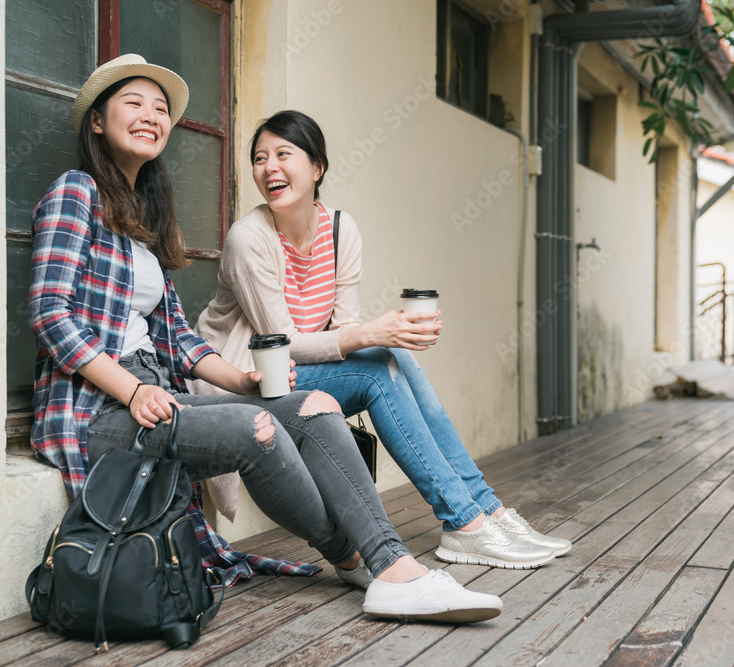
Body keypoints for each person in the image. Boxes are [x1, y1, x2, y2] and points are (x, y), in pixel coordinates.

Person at [28, 54, 502, 624]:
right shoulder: (74, 193)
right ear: (98, 122)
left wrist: (243, 379)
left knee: (317, 404)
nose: (151, 115)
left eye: (161, 108)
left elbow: (177, 338)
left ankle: (385, 563)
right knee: (258, 428)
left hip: (159, 398)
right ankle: (367, 558)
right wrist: (131, 391)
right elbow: (51, 315)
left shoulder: (143, 220)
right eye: (134, 103)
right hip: (98, 411)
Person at [193, 110, 570, 570]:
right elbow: (282, 343)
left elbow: (342, 329)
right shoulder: (248, 238)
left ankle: (485, 509)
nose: (269, 167)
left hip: (300, 372)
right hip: (246, 379)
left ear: (317, 168)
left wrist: (389, 334)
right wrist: (372, 333)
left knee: (389, 356)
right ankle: (463, 521)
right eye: (259, 158)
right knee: (377, 362)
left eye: (283, 154)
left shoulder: (340, 228)